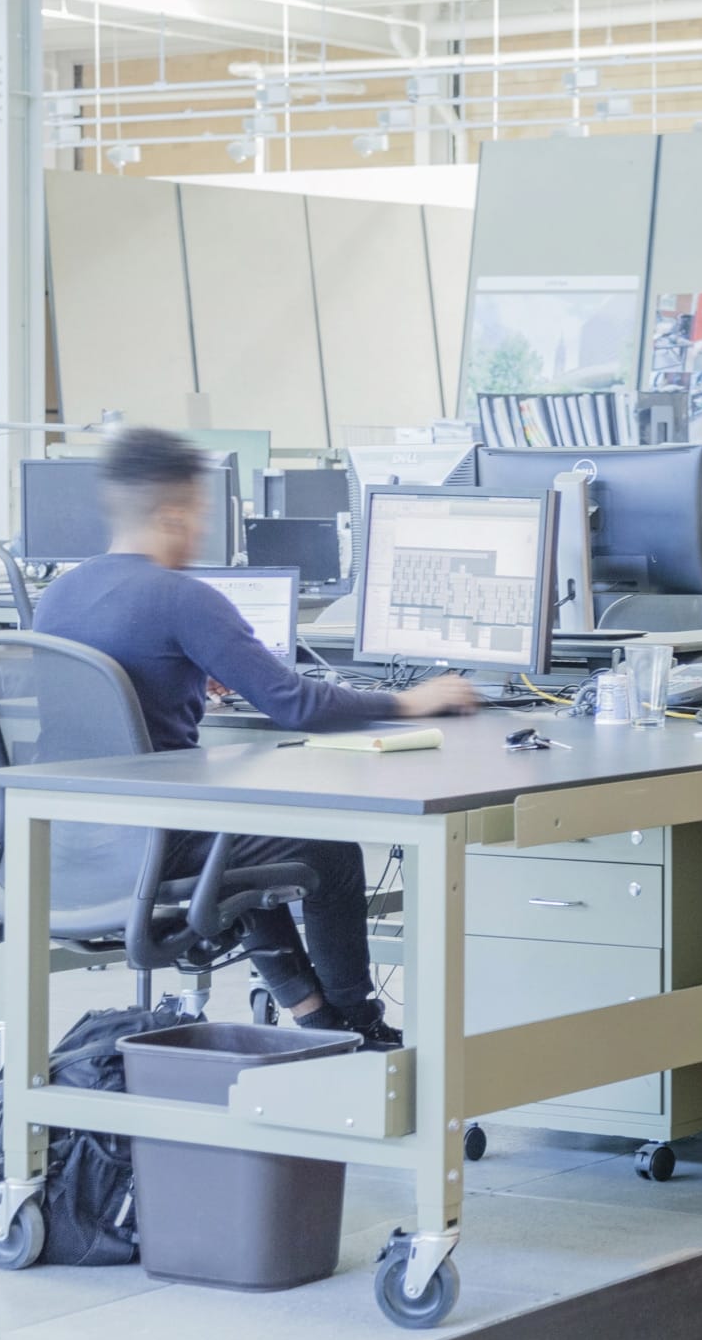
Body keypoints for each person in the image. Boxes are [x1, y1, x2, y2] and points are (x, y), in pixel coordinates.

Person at [33, 428, 476, 1042]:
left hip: (62, 841)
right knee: (326, 847)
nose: (200, 535)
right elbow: (296, 703)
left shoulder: (60, 594)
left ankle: (311, 1011)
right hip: (154, 843)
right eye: (199, 519)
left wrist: (186, 675)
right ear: (171, 514)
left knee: (245, 831)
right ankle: (358, 1021)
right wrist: (412, 700)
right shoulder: (183, 597)